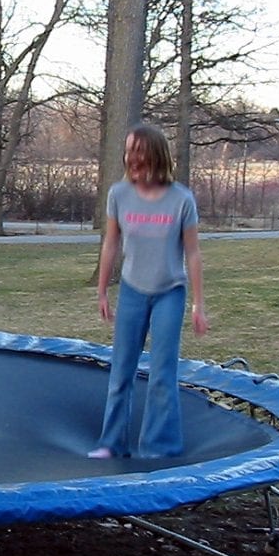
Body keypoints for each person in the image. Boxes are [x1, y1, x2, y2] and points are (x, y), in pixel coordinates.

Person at [88, 123, 209, 459]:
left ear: (155, 154)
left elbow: (193, 253)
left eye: (138, 151)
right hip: (132, 290)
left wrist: (199, 304)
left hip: (170, 291)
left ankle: (160, 447)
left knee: (161, 373)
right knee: (121, 369)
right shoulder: (119, 195)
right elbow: (111, 244)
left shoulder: (181, 199)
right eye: (128, 151)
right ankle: (112, 443)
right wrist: (101, 292)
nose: (132, 158)